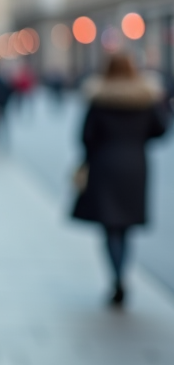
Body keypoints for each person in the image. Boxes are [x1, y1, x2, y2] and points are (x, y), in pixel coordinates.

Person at [72, 52, 168, 306]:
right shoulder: (144, 98)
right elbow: (160, 130)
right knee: (126, 226)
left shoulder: (99, 98)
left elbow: (86, 136)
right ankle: (122, 273)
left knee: (110, 226)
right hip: (135, 165)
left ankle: (116, 277)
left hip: (105, 165)